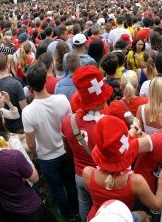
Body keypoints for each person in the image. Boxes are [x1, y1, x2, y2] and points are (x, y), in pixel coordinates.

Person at [0, 106, 55, 222]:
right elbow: (35, 178)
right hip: (30, 209)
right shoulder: (13, 156)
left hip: (8, 208)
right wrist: (12, 152)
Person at [83, 115, 162, 221]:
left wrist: (134, 128)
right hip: (123, 217)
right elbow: (157, 205)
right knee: (144, 215)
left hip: (96, 217)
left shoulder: (87, 173)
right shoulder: (136, 181)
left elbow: (116, 146)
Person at [22, 62, 79, 220]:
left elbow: (31, 143)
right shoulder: (62, 100)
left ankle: (67, 213)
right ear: (45, 81)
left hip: (47, 157)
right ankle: (74, 210)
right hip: (66, 151)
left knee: (57, 187)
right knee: (70, 183)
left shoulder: (27, 112)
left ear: (30, 86)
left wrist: (37, 154)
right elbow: (69, 126)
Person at [61, 65, 112, 222]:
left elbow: (67, 149)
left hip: (80, 174)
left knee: (84, 203)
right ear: (97, 103)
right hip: (101, 177)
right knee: (105, 208)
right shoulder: (107, 124)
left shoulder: (67, 122)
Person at [0, 53, 27, 133]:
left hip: (2, 128)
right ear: (8, 64)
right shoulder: (16, 83)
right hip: (18, 126)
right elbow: (24, 108)